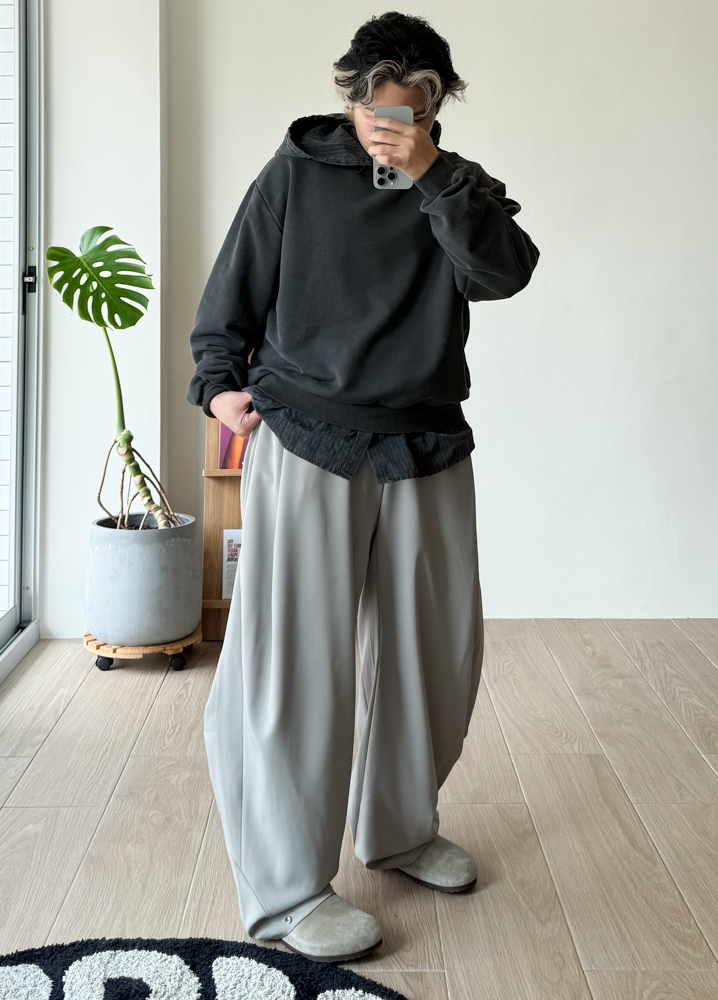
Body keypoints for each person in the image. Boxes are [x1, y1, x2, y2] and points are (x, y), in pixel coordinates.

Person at [187, 10, 539, 964]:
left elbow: (504, 275)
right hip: (308, 436)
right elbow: (229, 299)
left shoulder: (459, 185)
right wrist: (218, 387)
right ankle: (288, 891)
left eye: (412, 104)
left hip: (426, 439)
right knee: (292, 668)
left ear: (436, 103)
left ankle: (399, 831)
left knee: (436, 657)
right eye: (375, 101)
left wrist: (433, 178)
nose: (390, 120)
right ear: (348, 96)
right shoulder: (295, 175)